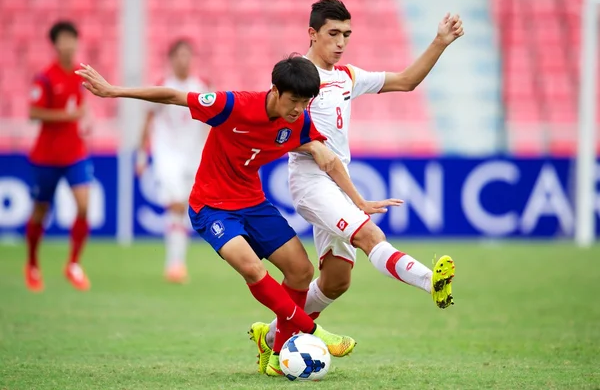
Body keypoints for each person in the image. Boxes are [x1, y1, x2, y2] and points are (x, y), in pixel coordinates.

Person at [76, 55, 398, 376]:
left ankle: (273, 352)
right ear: (275, 91)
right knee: (253, 268)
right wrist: (113, 90)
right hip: (211, 207)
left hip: (253, 204)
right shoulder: (232, 105)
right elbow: (174, 96)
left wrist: (357, 199)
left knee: (301, 270)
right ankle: (315, 332)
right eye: (294, 100)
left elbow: (327, 158)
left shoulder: (298, 122)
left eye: (306, 102)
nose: (299, 109)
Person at [251, 0, 464, 369]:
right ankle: (431, 282)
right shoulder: (296, 80)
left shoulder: (347, 76)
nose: (340, 42)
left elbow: (407, 81)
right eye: (333, 34)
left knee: (336, 282)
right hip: (311, 182)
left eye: (346, 35)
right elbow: (273, 121)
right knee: (369, 236)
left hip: (337, 179)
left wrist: (440, 42)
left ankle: (270, 336)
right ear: (312, 34)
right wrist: (357, 199)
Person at [25, 21, 92, 292]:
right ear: (55, 44)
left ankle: (73, 264)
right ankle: (32, 264)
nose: (68, 44)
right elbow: (33, 114)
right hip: (47, 156)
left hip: (74, 153)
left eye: (72, 39)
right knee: (41, 210)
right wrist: (67, 116)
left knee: (84, 205)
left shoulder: (80, 75)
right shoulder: (45, 77)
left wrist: (86, 118)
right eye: (63, 40)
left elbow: (81, 107)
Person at [137, 39, 210, 283]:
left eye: (187, 55)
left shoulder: (201, 86)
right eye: (179, 55)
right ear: (171, 59)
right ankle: (175, 264)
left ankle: (176, 262)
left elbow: (211, 123)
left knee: (187, 210)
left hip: (194, 156)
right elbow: (148, 120)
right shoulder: (163, 86)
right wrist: (141, 154)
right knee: (176, 205)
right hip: (167, 154)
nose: (183, 60)